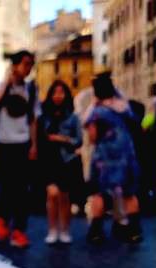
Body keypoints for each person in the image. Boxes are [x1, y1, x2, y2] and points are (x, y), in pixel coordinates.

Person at [83, 72, 141, 244]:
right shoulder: (124, 107)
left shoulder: (97, 111)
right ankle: (134, 231)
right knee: (129, 193)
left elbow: (92, 136)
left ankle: (96, 232)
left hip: (105, 157)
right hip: (126, 155)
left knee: (99, 193)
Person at [0, 50, 38, 249]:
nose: (28, 69)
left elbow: (33, 120)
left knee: (22, 190)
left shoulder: (31, 89)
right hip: (3, 143)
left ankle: (19, 230)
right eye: (25, 64)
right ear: (15, 65)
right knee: (6, 186)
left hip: (22, 144)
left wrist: (34, 145)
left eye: (30, 65)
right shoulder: (3, 86)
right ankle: (2, 220)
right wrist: (8, 79)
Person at [37, 80, 82, 244]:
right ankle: (52, 229)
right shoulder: (44, 117)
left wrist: (62, 139)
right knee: (52, 195)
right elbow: (40, 138)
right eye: (55, 92)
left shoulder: (73, 117)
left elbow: (79, 141)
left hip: (66, 160)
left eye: (61, 92)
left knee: (64, 197)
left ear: (66, 95)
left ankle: (65, 230)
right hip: (49, 160)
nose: (58, 96)